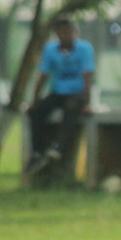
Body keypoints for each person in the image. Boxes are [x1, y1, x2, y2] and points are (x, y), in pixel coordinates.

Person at [27, 16, 96, 174]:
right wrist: (35, 100)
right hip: (58, 92)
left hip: (77, 93)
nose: (65, 36)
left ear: (75, 33)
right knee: (35, 113)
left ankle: (57, 148)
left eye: (68, 32)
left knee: (71, 111)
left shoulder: (85, 49)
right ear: (56, 34)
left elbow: (88, 76)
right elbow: (43, 76)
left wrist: (87, 102)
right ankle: (37, 152)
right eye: (61, 33)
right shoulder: (51, 50)